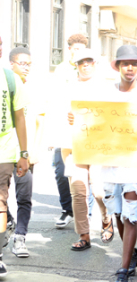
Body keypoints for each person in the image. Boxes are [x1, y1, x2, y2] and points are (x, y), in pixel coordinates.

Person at [69, 45, 137, 282]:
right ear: (117, 66)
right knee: (117, 213)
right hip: (109, 163)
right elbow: (89, 118)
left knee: (130, 214)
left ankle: (123, 269)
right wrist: (75, 119)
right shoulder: (104, 92)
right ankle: (132, 253)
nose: (130, 67)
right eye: (125, 63)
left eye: (134, 63)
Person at [63, 49, 114, 251]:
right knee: (78, 192)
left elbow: (114, 116)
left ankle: (105, 218)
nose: (85, 64)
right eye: (80, 62)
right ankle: (84, 235)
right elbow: (59, 113)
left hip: (99, 145)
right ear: (75, 65)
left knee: (99, 191)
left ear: (95, 63)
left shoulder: (107, 87)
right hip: (73, 144)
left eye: (89, 61)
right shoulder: (68, 88)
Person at [6, 47, 42, 258]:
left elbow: (40, 121)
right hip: (5, 151)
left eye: (29, 63)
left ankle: (20, 237)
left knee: (24, 197)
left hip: (25, 154)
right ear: (11, 64)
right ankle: (9, 221)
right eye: (22, 63)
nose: (26, 67)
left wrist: (34, 149)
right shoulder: (6, 85)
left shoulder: (34, 88)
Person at [52, 34, 89, 229]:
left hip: (85, 131)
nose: (78, 53)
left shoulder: (90, 68)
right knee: (60, 170)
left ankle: (84, 209)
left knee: (85, 170)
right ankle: (67, 209)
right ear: (69, 50)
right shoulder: (61, 70)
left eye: (81, 50)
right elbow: (55, 100)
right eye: (75, 49)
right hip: (63, 127)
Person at [0, 35, 29, 276]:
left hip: (4, 152)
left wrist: (24, 154)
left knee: (0, 202)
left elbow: (20, 118)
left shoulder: (11, 79)